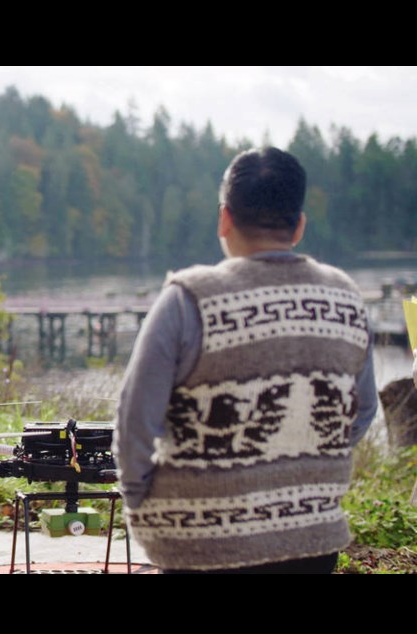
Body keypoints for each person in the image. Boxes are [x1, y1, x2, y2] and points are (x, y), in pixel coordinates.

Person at [114, 147, 377, 574]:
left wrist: (141, 501)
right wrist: (303, 468)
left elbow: (135, 420)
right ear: (299, 225)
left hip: (200, 543)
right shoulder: (346, 297)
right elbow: (362, 411)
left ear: (225, 218)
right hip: (311, 541)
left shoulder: (188, 299)